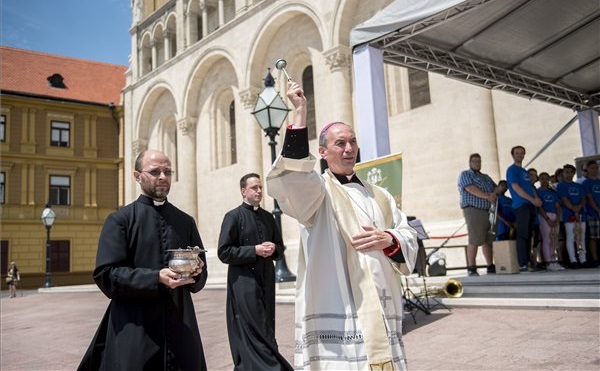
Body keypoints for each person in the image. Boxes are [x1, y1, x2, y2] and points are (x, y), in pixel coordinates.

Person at [266, 81, 419, 370]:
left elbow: (407, 233)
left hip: (383, 305)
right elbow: (293, 176)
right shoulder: (317, 193)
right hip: (340, 309)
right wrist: (300, 113)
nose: (349, 149)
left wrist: (389, 238)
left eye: (353, 142)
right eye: (340, 143)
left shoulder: (380, 195)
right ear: (322, 152)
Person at [79, 149, 208, 371]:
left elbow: (201, 274)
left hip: (180, 324)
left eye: (167, 172)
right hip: (135, 326)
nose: (162, 177)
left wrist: (196, 273)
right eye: (155, 171)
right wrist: (155, 277)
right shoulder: (120, 219)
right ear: (137, 176)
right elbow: (106, 275)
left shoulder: (185, 221)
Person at [217, 173, 293, 371]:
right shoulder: (233, 217)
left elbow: (280, 248)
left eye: (260, 187)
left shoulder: (268, 217)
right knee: (253, 324)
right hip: (243, 281)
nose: (259, 191)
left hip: (266, 279)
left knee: (266, 322)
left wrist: (273, 248)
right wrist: (254, 250)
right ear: (243, 191)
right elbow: (224, 252)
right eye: (254, 188)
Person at [457, 153, 497, 276]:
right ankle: (471, 267)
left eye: (479, 161)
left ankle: (490, 265)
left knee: (487, 239)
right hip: (474, 209)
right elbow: (470, 189)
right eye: (474, 161)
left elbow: (494, 188)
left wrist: (497, 191)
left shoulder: (486, 177)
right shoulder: (465, 174)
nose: (477, 164)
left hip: (488, 211)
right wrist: (487, 196)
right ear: (470, 163)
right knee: (475, 239)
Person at [506, 145, 543, 272]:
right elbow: (516, 188)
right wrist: (532, 200)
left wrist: (535, 200)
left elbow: (529, 188)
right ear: (513, 155)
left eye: (522, 153)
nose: (520, 155)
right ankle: (523, 263)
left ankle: (528, 262)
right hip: (521, 205)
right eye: (517, 153)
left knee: (528, 235)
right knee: (522, 235)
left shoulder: (524, 171)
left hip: (530, 206)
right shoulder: (512, 170)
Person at [557, 164, 588, 269]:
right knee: (571, 237)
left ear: (573, 173)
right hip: (568, 215)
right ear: (563, 173)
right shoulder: (561, 185)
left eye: (570, 172)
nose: (568, 174)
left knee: (581, 237)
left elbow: (583, 199)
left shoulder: (579, 186)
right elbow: (564, 199)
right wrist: (574, 209)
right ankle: (573, 260)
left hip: (581, 215)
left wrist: (578, 208)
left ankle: (583, 259)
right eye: (566, 172)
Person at [536, 172, 564, 271]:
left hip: (554, 216)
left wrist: (557, 219)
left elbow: (557, 206)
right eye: (542, 178)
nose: (544, 180)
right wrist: (547, 219)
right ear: (539, 180)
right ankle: (548, 262)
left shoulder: (552, 192)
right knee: (547, 239)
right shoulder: (538, 192)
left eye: (546, 178)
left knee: (554, 239)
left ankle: (554, 260)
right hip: (544, 216)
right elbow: (539, 207)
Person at [582, 160, 600, 265]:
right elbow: (589, 198)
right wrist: (598, 210)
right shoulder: (586, 183)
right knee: (593, 237)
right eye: (592, 168)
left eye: (596, 168)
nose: (595, 170)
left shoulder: (599, 181)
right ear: (587, 169)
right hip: (592, 213)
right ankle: (595, 258)